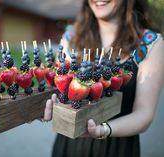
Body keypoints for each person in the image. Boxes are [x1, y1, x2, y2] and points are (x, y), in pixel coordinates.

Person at [43, 0, 164, 157]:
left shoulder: (151, 43)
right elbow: (60, 91)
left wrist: (103, 130)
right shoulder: (70, 38)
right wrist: (44, 107)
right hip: (69, 146)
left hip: (117, 148)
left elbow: (144, 114)